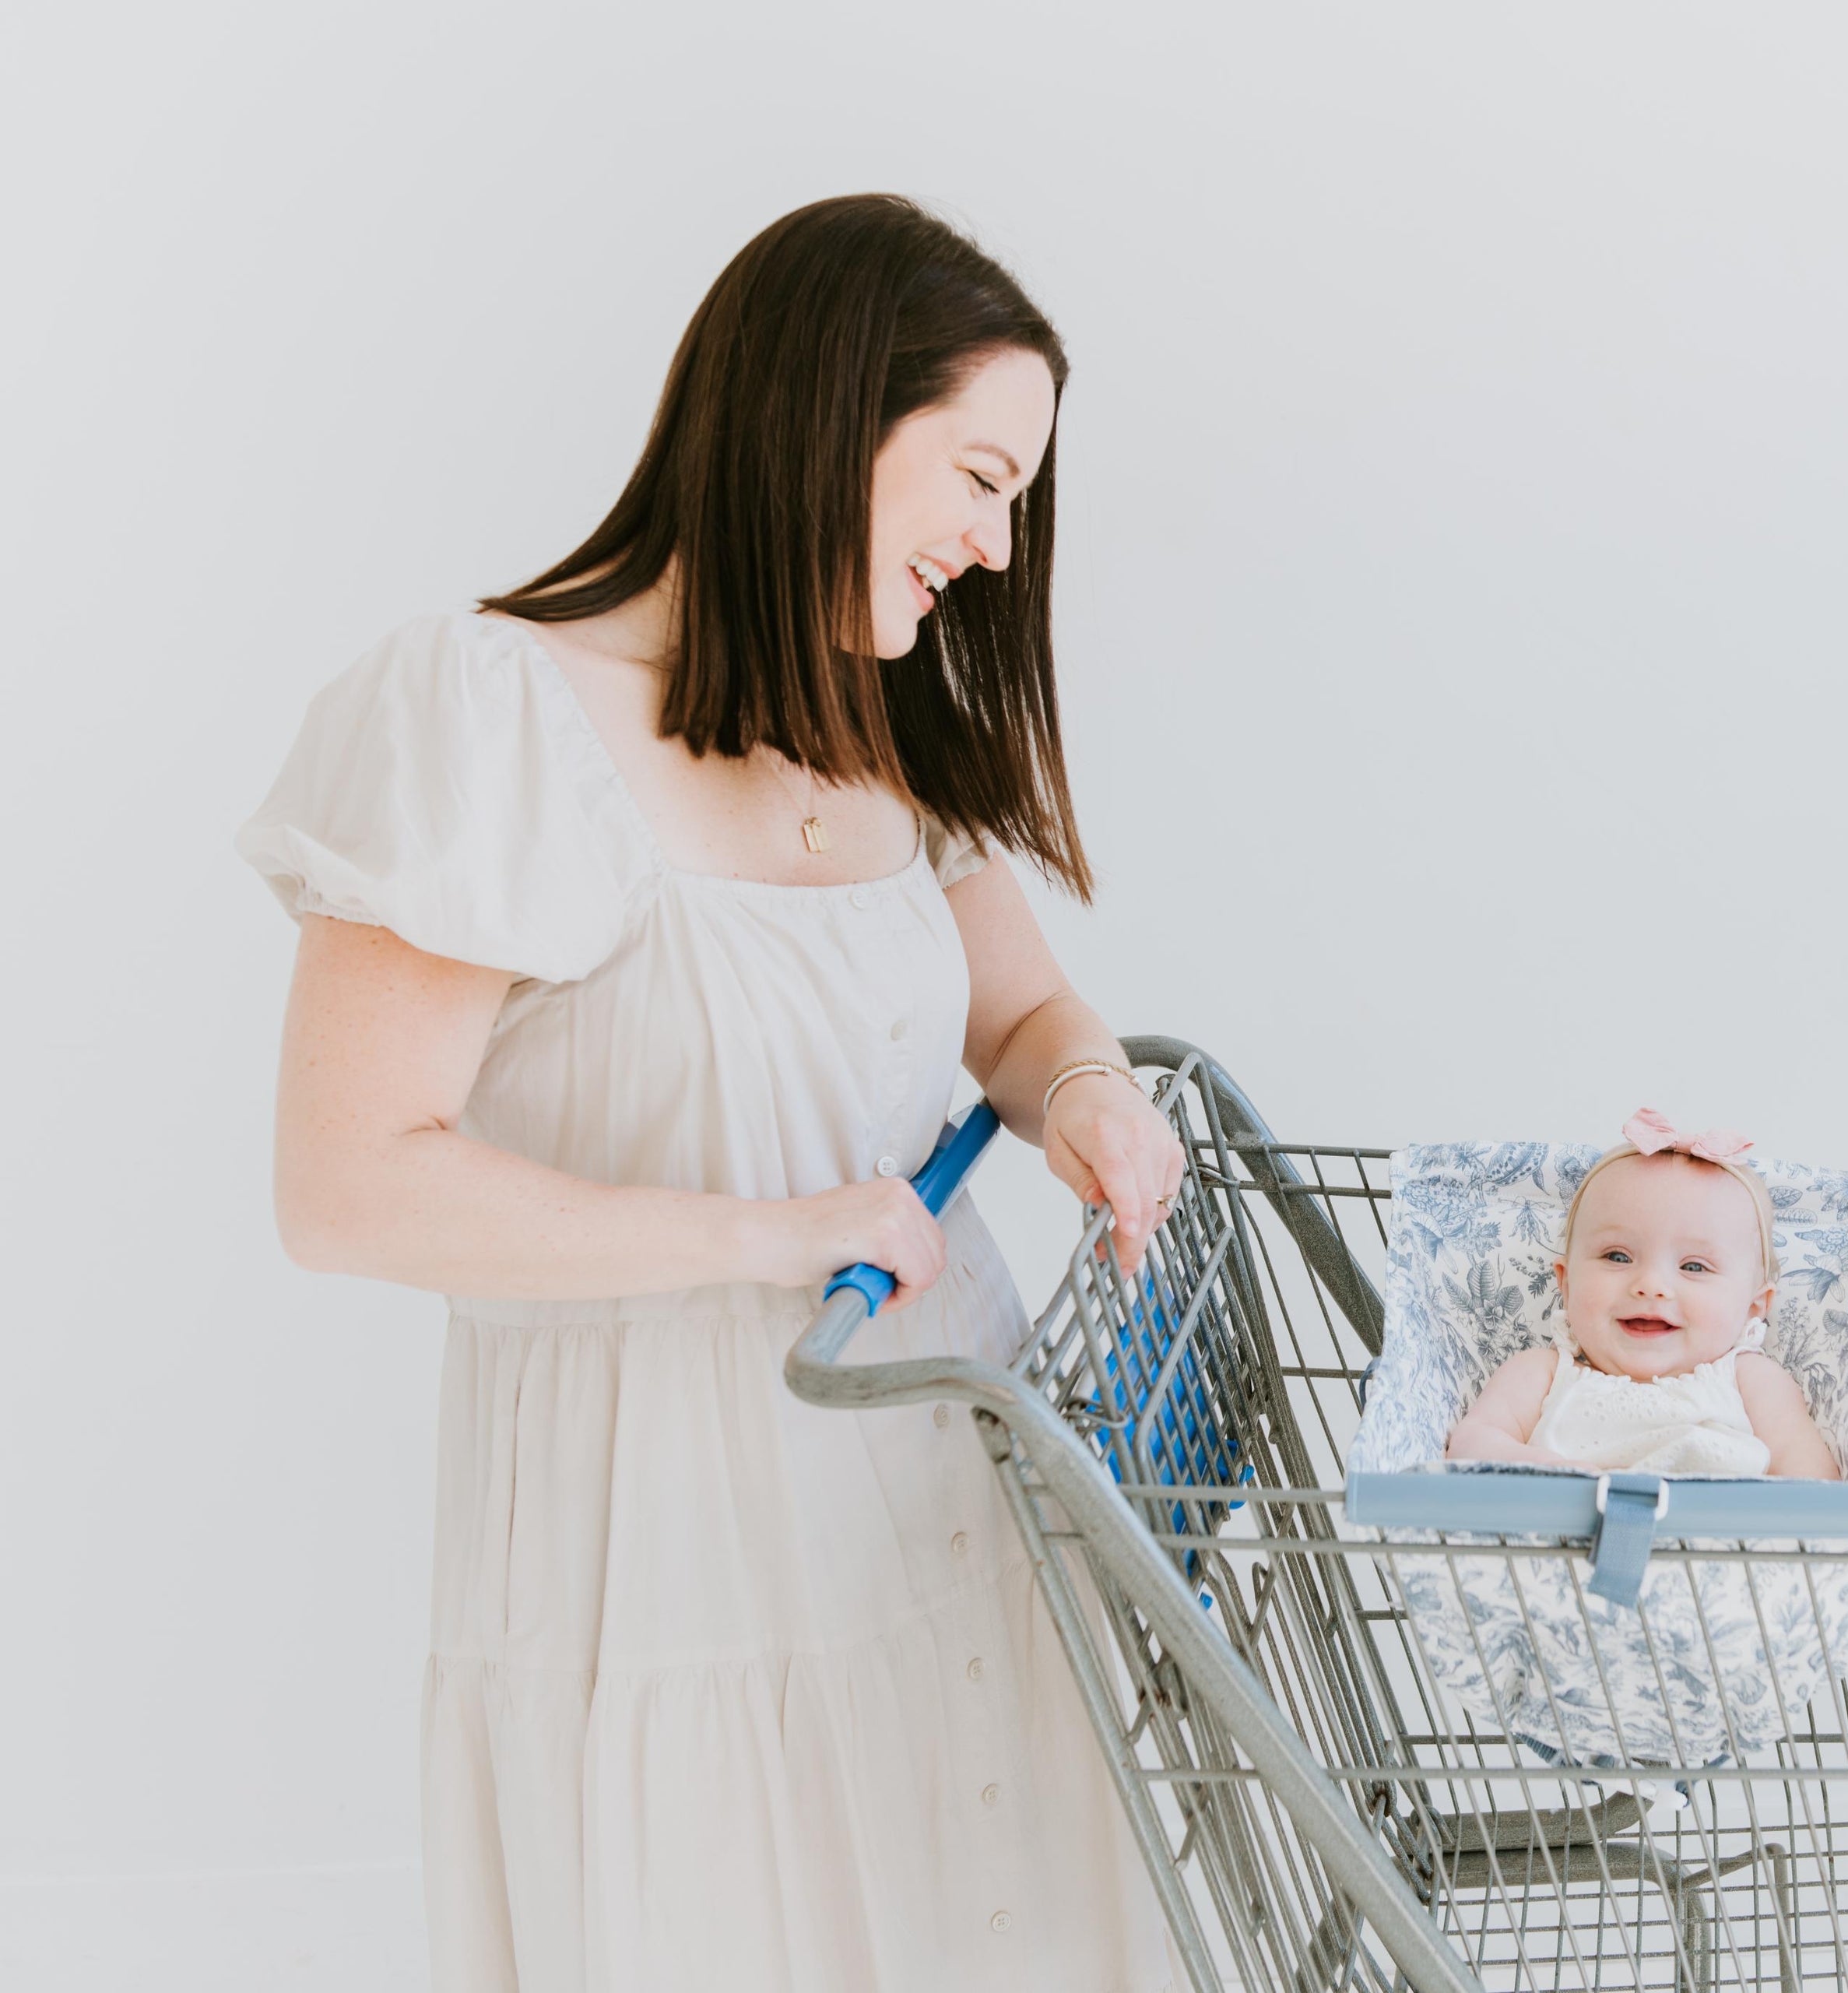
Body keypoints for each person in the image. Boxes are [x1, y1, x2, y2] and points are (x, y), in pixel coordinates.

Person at [240, 194, 1184, 1991]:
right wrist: (772, 1233)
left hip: (952, 1505)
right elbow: (346, 1184)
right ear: (832, 412)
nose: (995, 546)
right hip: (671, 1545)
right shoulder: (492, 716)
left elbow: (1021, 1013)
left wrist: (1079, 1092)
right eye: (979, 475)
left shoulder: (880, 714)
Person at [1445, 1110, 1843, 1479]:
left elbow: (1812, 1478)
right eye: (1617, 1256)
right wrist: (1561, 1474)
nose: (1650, 1285)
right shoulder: (1541, 1374)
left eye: (1693, 1267)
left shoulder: (1751, 1381)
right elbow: (1471, 1444)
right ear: (1566, 1284)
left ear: (1754, 1307)